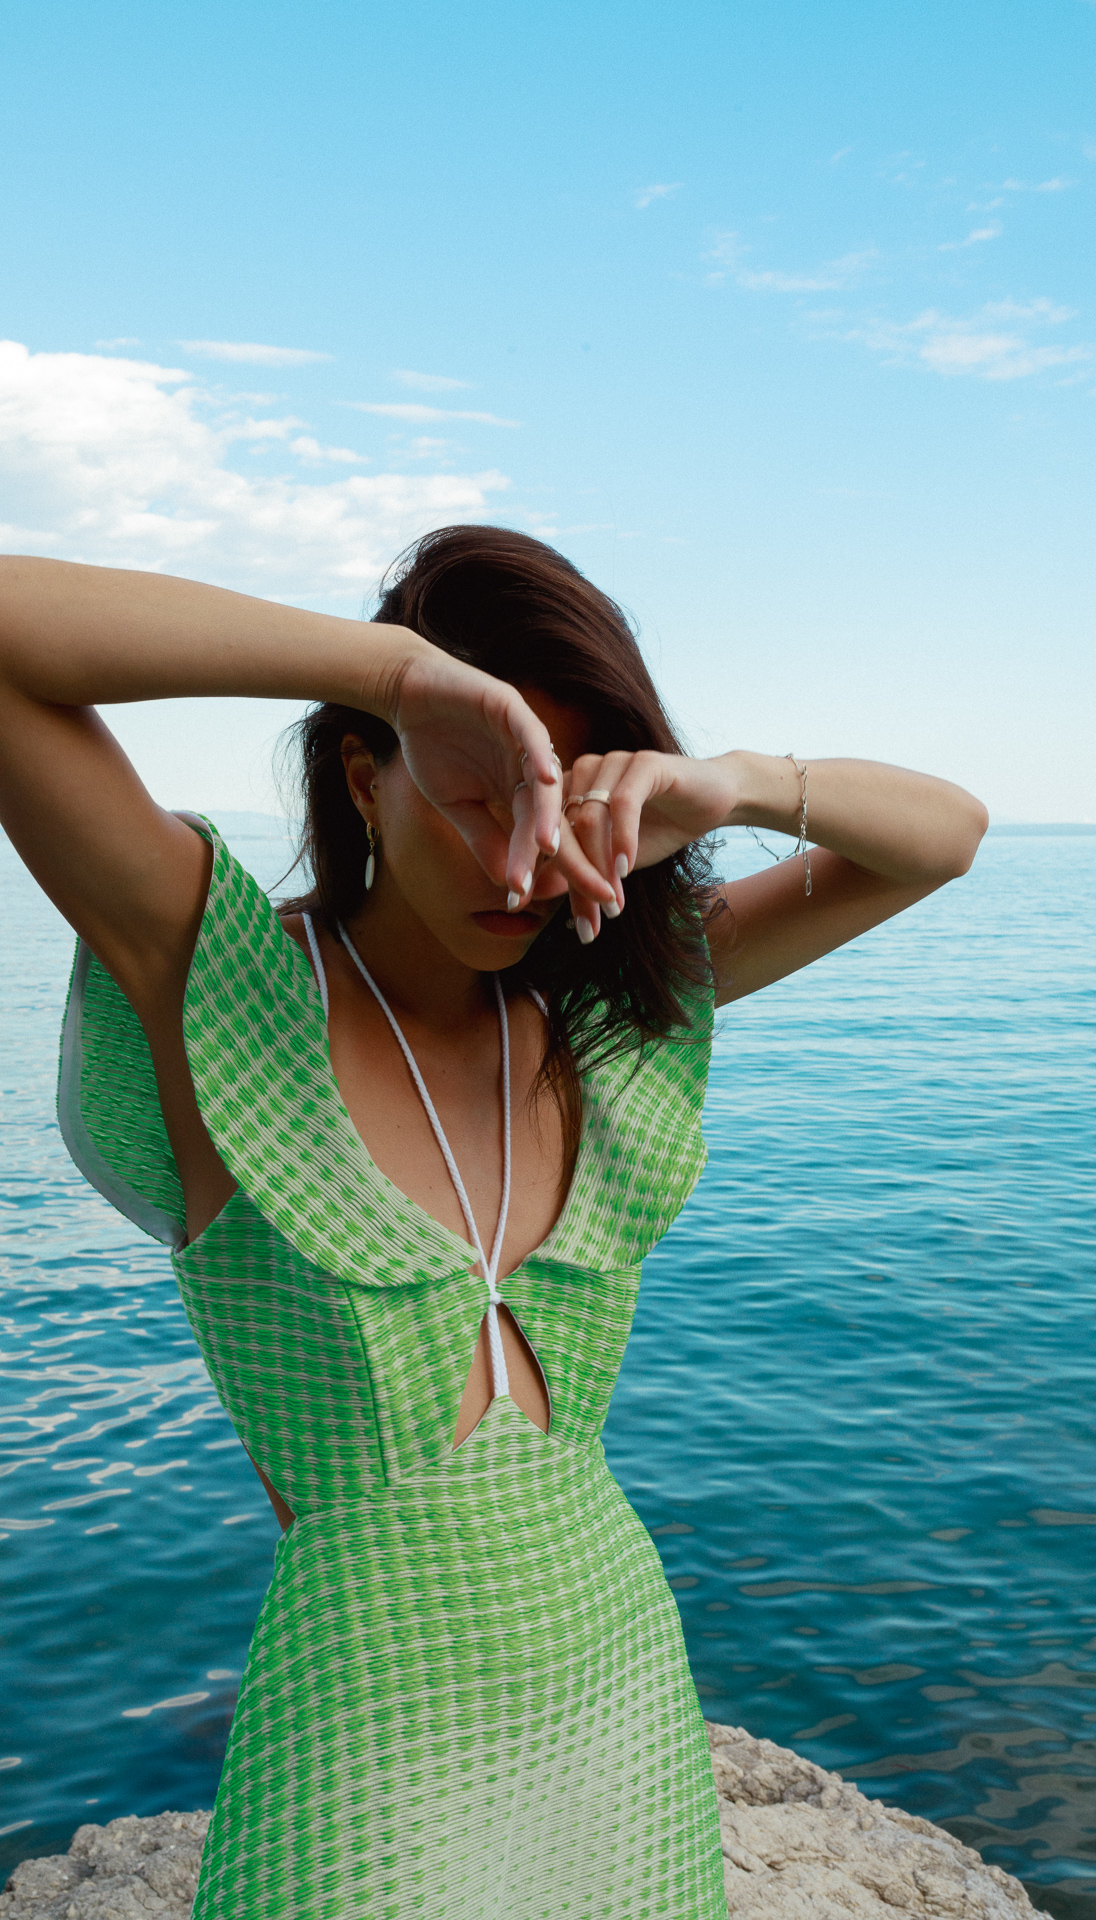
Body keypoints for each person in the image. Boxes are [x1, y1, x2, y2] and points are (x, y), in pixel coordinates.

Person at [0, 526, 987, 1919]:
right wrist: (399, 673)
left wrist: (730, 784)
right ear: (366, 776)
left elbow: (947, 836)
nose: (524, 860)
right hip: (360, 1745)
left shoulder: (606, 1010)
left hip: (620, 1708)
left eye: (567, 808)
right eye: (476, 794)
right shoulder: (214, 978)